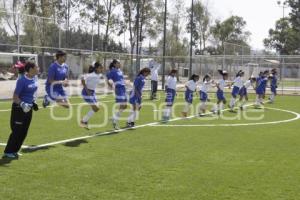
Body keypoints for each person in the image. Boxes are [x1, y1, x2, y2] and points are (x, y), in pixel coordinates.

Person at [3, 62, 39, 159]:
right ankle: (8, 151)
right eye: (36, 67)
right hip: (19, 109)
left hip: (29, 108)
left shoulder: (35, 79)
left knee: (24, 131)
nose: (38, 68)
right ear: (31, 69)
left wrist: (34, 102)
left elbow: (31, 93)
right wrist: (23, 104)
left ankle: (15, 151)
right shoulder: (22, 80)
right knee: (17, 131)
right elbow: (15, 97)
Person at [80, 62, 104, 129]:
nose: (101, 69)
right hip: (86, 92)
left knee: (97, 108)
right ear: (96, 68)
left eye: (102, 68)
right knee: (95, 108)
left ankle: (84, 120)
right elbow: (82, 79)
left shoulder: (99, 75)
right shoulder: (91, 75)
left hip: (92, 93)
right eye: (100, 68)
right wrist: (87, 90)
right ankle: (83, 121)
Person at [106, 59, 127, 130]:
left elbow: (122, 79)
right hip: (118, 88)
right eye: (118, 63)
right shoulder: (113, 71)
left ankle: (114, 118)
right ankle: (115, 121)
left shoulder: (120, 71)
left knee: (125, 106)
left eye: (119, 63)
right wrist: (110, 85)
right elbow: (108, 78)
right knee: (123, 105)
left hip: (123, 88)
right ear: (114, 64)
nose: (119, 64)